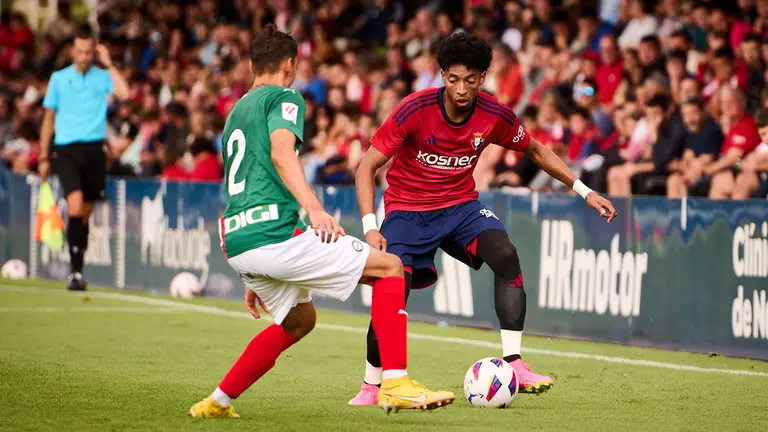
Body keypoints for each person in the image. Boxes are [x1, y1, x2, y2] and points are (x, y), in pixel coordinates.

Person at [188, 25, 454, 419]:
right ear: (290, 65)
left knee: (300, 320)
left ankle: (217, 401)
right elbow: (282, 153)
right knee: (391, 268)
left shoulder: (236, 112)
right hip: (273, 235)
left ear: (251, 65)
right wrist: (314, 208)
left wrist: (256, 271)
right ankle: (395, 382)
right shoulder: (285, 96)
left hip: (240, 240)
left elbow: (248, 180)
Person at [349, 31, 617, 406]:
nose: (462, 89)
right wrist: (370, 227)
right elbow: (367, 167)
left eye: (471, 80)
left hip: (460, 207)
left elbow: (537, 151)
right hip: (408, 211)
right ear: (443, 76)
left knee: (505, 254)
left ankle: (515, 364)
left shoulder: (493, 114)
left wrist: (585, 192)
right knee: (395, 290)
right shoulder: (414, 108)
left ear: (482, 79)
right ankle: (371, 384)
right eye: (454, 79)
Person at [38, 25, 130, 291]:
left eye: (89, 51)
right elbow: (48, 119)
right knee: (75, 206)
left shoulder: (101, 76)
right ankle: (74, 271)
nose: (84, 56)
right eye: (80, 51)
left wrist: (109, 62)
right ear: (72, 51)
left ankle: (78, 268)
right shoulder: (58, 79)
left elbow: (125, 93)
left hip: (94, 150)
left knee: (85, 213)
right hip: (66, 149)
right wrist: (43, 156)